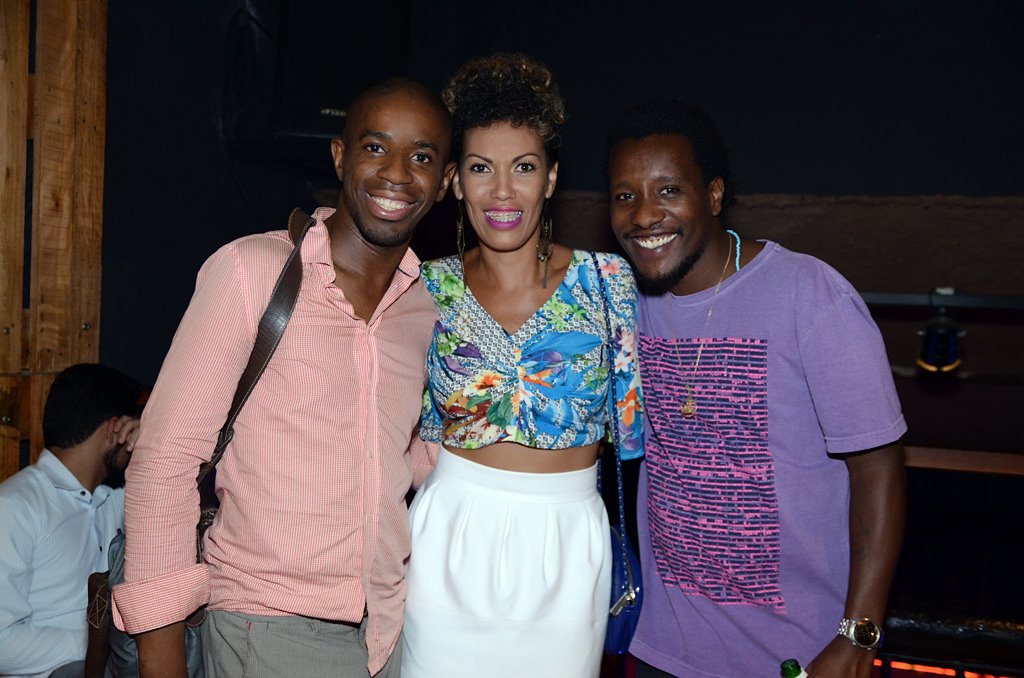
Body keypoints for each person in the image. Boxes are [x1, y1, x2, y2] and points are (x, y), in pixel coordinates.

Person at [110, 78, 454, 678]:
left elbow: (400, 460)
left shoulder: (425, 310)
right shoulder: (251, 273)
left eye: (421, 157)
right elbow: (164, 465)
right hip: (266, 627)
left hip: (388, 632)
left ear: (445, 182)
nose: (397, 173)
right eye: (375, 147)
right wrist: (160, 661)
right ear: (340, 157)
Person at [606, 100, 907, 678]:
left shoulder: (808, 293)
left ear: (714, 194)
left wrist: (858, 636)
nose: (644, 215)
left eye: (668, 190)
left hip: (798, 658)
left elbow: (879, 467)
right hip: (662, 651)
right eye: (625, 195)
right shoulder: (622, 302)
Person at [401, 53, 644, 678]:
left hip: (569, 547)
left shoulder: (608, 282)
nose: (503, 191)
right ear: (456, 181)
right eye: (481, 168)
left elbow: (637, 437)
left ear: (552, 178)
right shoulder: (425, 287)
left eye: (525, 167)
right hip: (446, 542)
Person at [0, 363, 141, 678]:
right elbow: (2, 642)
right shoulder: (14, 506)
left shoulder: (112, 499)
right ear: (115, 430)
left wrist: (152, 445)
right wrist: (102, 644)